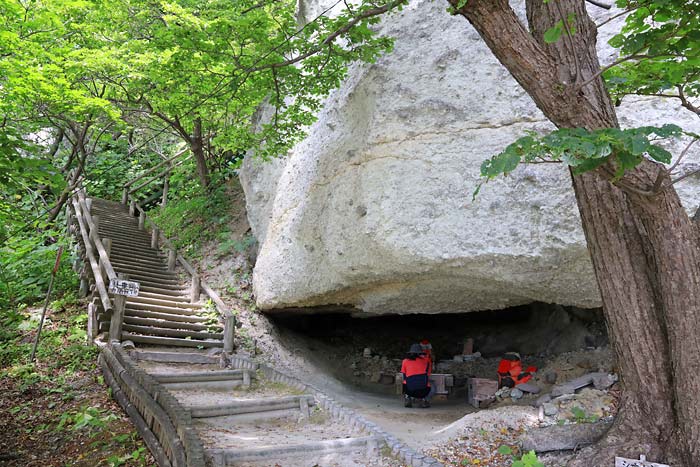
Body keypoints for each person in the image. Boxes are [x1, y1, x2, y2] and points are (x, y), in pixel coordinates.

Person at [401, 343, 433, 408]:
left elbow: (404, 374)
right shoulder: (427, 361)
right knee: (428, 383)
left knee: (405, 381)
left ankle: (407, 398)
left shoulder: (405, 361)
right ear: (420, 352)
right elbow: (428, 374)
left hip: (409, 390)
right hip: (423, 391)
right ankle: (424, 399)